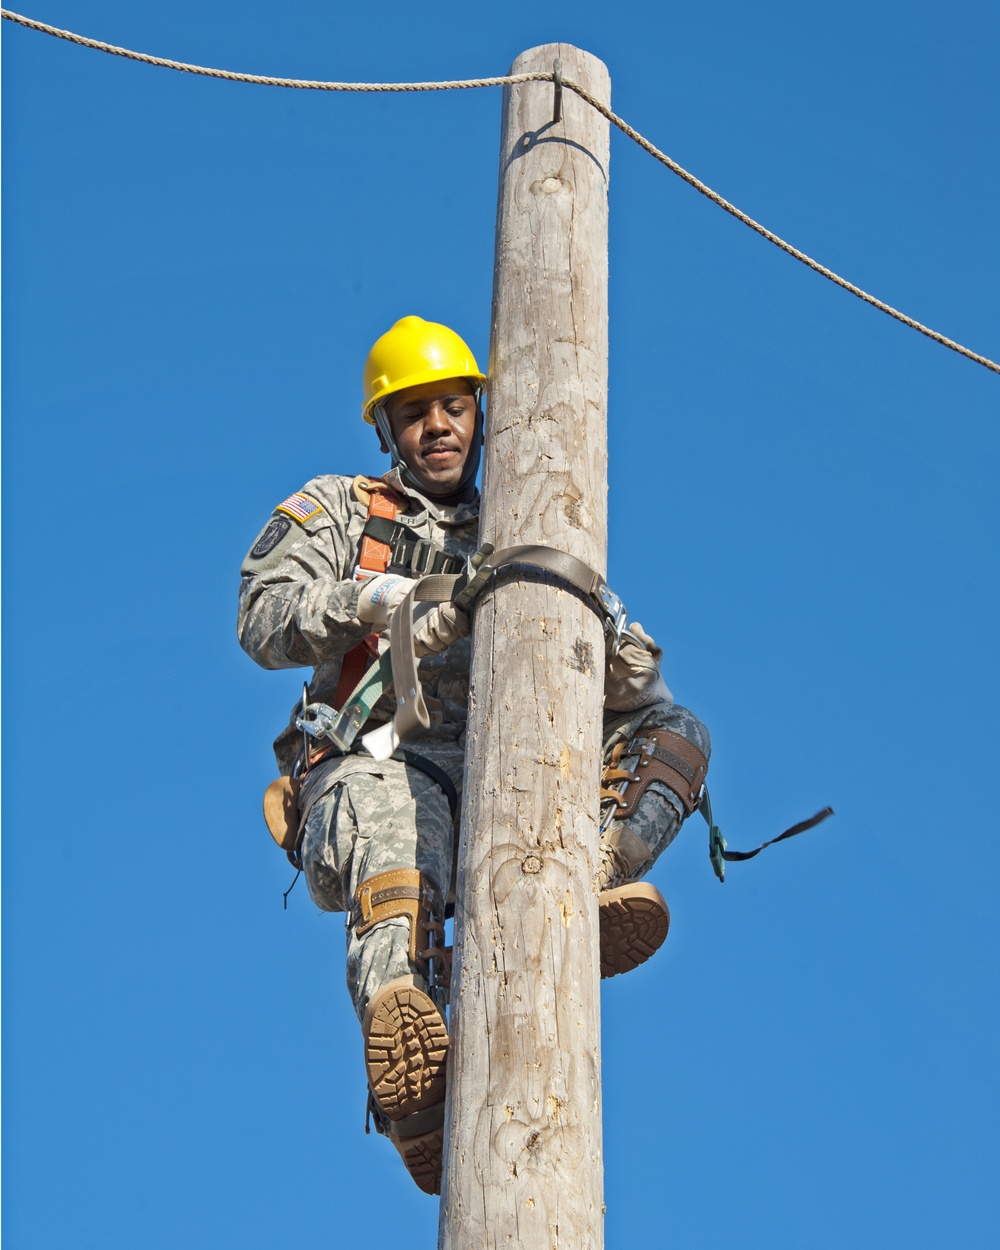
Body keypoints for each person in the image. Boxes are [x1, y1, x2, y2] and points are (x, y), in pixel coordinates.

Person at [237, 316, 711, 1195]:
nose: (439, 427)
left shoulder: (522, 518)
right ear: (385, 429)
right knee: (399, 831)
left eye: (455, 406)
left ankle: (586, 873)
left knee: (675, 733)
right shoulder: (345, 510)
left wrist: (607, 643)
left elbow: (620, 663)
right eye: (415, 413)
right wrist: (379, 600)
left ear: (484, 414)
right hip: (379, 760)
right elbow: (261, 617)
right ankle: (411, 1071)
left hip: (507, 769)